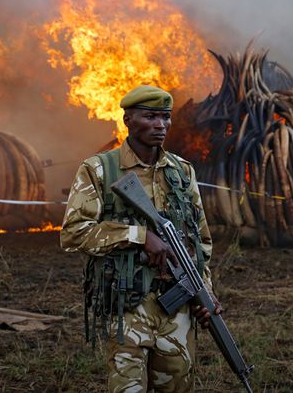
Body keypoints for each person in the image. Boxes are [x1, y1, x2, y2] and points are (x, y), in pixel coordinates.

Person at [60, 85, 222, 392]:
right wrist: (138, 236)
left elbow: (200, 241)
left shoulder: (181, 171)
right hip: (126, 306)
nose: (160, 125)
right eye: (150, 117)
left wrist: (205, 292)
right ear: (129, 120)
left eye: (165, 117)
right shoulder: (99, 169)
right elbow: (73, 233)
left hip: (177, 309)